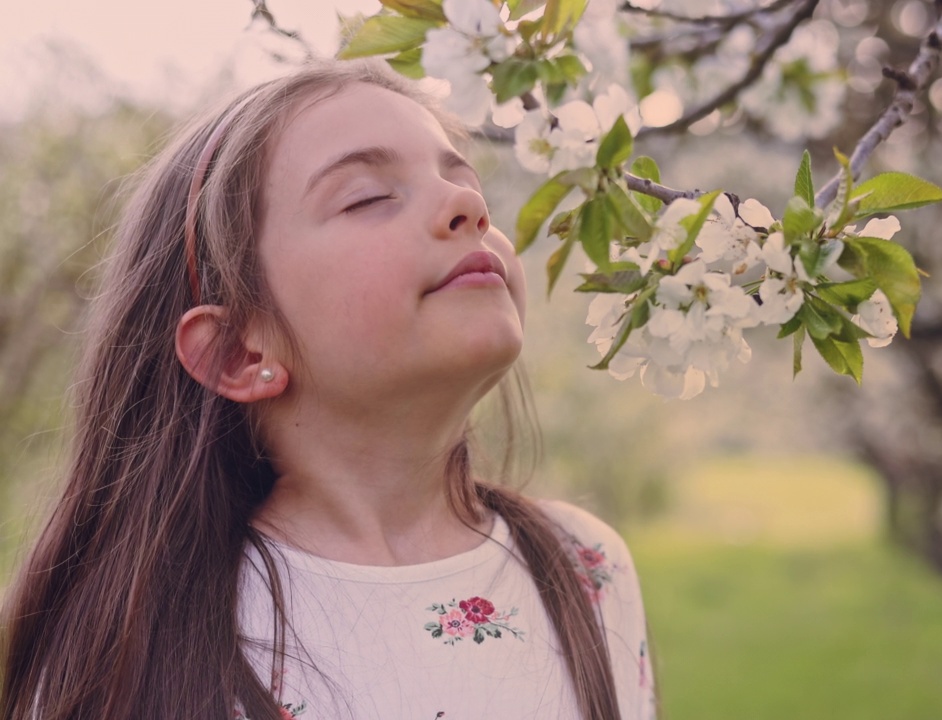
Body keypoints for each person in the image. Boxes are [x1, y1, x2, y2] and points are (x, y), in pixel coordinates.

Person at [0, 59, 654, 720]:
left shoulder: (585, 565)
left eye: (464, 181)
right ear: (238, 352)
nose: (469, 207)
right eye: (368, 197)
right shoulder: (139, 647)